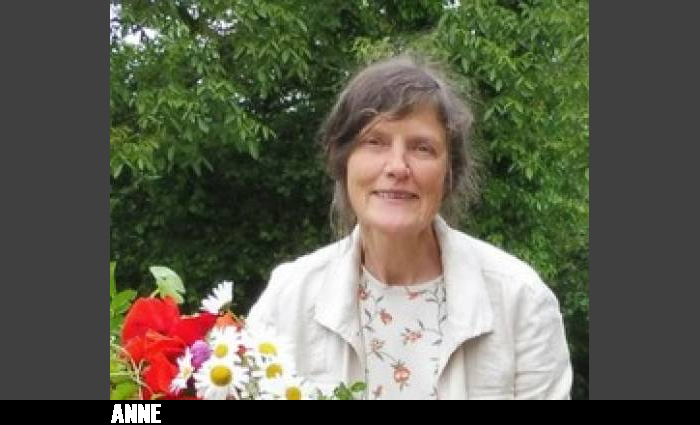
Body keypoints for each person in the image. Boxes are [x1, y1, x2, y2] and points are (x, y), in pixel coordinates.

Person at [246, 55, 572, 400]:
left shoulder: (520, 301)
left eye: (422, 148)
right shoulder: (289, 299)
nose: (397, 167)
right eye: (375, 142)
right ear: (342, 161)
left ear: (449, 173)